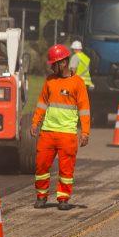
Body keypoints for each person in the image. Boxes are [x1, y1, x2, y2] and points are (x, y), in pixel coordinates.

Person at [30, 44, 90, 211]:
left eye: (53, 63)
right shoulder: (50, 81)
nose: (51, 66)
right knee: (41, 166)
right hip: (48, 132)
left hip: (67, 134)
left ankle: (63, 199)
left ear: (63, 63)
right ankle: (41, 196)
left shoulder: (78, 83)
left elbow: (84, 110)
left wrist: (85, 132)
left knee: (66, 169)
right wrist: (35, 122)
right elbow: (42, 103)